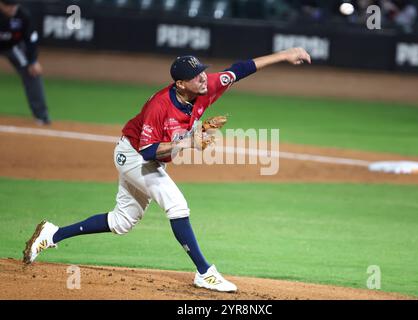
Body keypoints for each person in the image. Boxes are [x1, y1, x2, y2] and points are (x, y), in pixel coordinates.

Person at [22, 47, 311, 292]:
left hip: (146, 157)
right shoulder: (160, 106)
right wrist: (189, 140)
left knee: (122, 222)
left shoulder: (206, 86)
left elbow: (241, 68)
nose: (202, 77)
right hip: (133, 155)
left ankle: (52, 234)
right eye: (195, 76)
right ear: (180, 84)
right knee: (176, 204)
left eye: (201, 71)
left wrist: (286, 54)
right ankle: (204, 272)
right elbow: (148, 152)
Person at [0, 0, 51, 125]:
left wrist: (33, 61)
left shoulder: (23, 15)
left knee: (33, 72)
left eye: (14, 4)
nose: (12, 8)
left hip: (13, 47)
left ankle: (41, 116)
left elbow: (31, 39)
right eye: (8, 5)